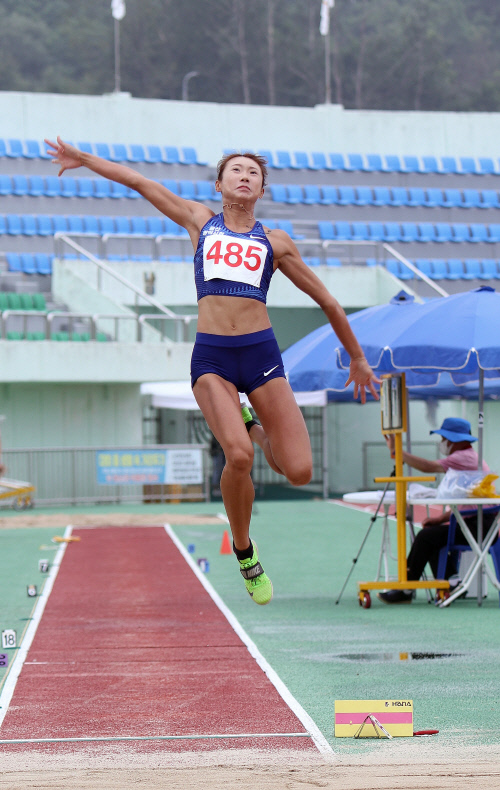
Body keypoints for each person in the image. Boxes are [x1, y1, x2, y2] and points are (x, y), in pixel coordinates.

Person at [45, 138, 379, 605]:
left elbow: (328, 301)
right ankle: (245, 552)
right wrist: (84, 161)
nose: (244, 176)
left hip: (262, 356)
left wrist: (358, 358)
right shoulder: (200, 221)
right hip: (213, 359)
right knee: (238, 458)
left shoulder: (275, 243)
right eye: (235, 171)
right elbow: (139, 181)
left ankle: (254, 427)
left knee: (298, 470)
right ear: (220, 184)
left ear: (262, 188)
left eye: (253, 173)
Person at [379, 417, 496, 604]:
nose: (442, 443)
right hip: (481, 522)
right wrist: (440, 519)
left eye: (444, 439)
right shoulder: (470, 457)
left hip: (479, 526)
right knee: (432, 535)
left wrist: (397, 451)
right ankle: (451, 582)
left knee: (427, 537)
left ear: (452, 440)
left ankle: (406, 589)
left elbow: (428, 467)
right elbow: (468, 505)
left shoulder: (463, 457)